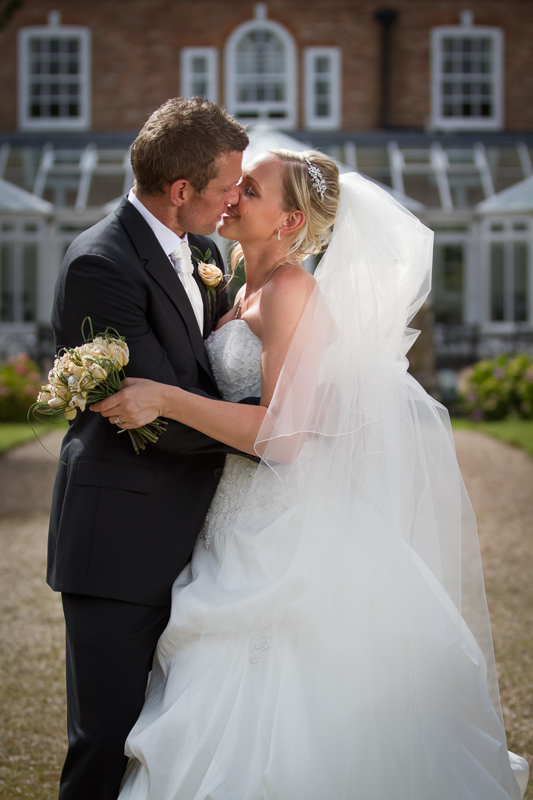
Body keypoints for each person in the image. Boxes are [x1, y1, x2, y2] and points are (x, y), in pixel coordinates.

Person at [93, 149, 529, 799]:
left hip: (282, 524)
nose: (231, 196)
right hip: (230, 516)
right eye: (234, 185)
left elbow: (287, 436)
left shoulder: (292, 292)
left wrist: (165, 399)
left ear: (289, 222)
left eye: (250, 190)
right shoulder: (240, 286)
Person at [48, 97, 250, 800]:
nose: (234, 201)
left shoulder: (207, 252)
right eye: (227, 188)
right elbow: (151, 412)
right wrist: (270, 430)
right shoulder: (99, 265)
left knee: (180, 739)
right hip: (121, 544)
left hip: (204, 543)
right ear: (181, 191)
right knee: (107, 741)